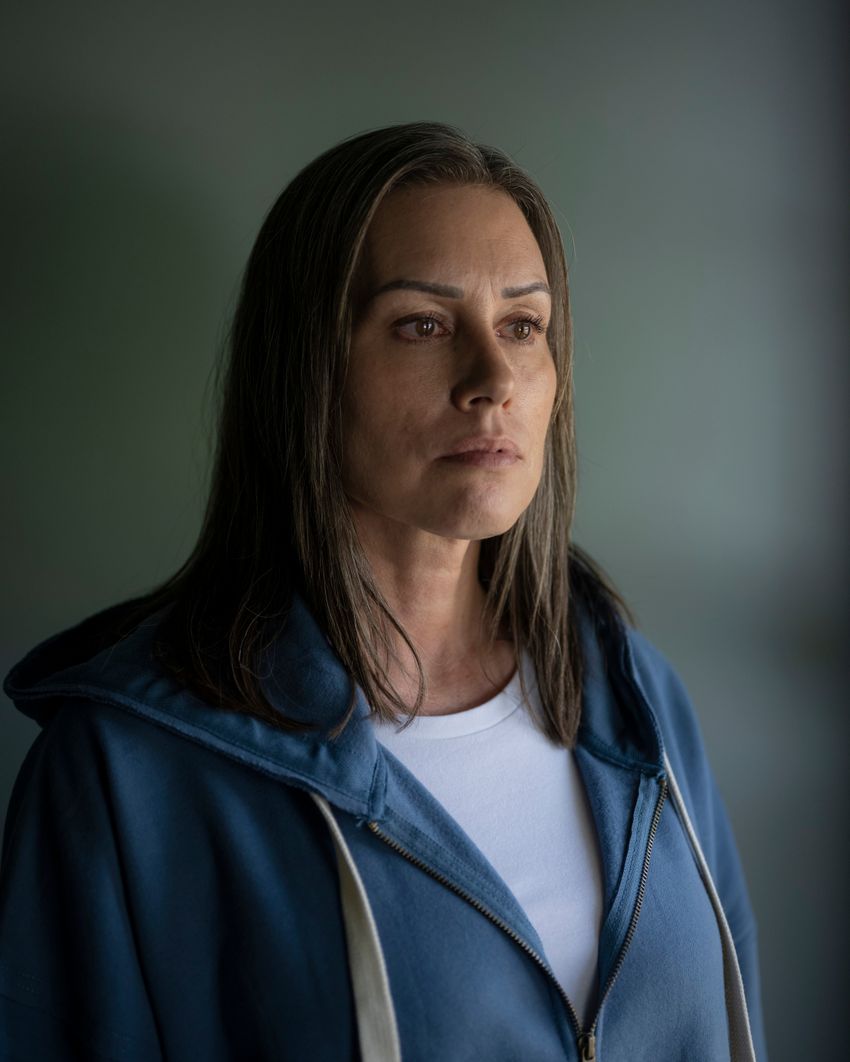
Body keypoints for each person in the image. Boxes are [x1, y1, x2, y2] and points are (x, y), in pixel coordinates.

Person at [0, 121, 767, 1061]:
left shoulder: (634, 693)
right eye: (423, 325)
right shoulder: (127, 770)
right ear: (309, 373)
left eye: (523, 325)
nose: (493, 379)